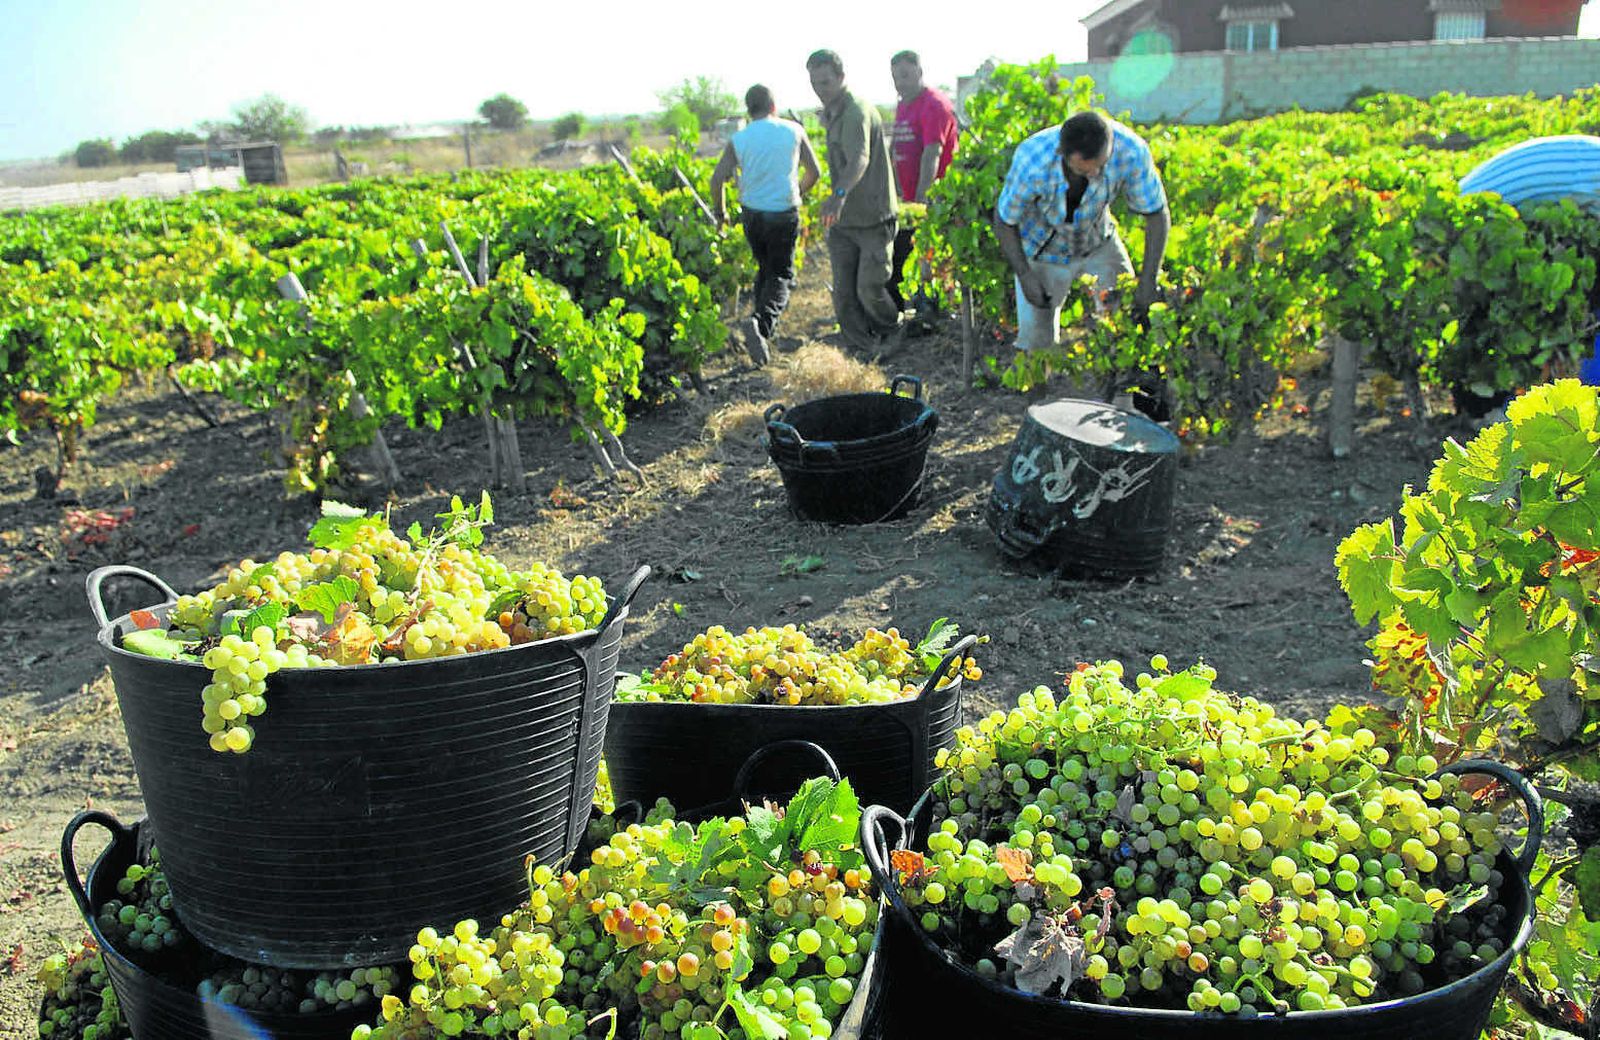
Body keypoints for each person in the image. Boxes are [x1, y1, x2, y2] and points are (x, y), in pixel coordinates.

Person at [994, 111, 1170, 355]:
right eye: (1085, 171)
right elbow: (1004, 221)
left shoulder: (1130, 151)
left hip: (1098, 241)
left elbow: (1156, 213)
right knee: (1036, 347)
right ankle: (1041, 392)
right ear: (1061, 155)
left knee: (1122, 326)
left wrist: (1148, 279)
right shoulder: (1033, 159)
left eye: (1101, 166)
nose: (1095, 175)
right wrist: (1025, 274)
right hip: (1042, 247)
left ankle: (1119, 389)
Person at [709, 84, 821, 366]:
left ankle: (757, 331)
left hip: (753, 215)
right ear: (774, 106)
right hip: (783, 211)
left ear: (749, 110)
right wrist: (797, 191)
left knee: (766, 269)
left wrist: (721, 215)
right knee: (782, 275)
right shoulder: (794, 130)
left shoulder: (740, 138)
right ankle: (762, 324)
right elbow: (815, 172)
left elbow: (716, 179)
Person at [808, 48, 901, 353]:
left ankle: (892, 331)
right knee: (844, 296)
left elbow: (859, 158)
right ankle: (863, 347)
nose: (819, 90)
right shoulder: (833, 113)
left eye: (825, 83)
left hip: (873, 218)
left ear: (841, 78)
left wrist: (837, 196)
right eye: (814, 83)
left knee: (869, 288)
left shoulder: (856, 110)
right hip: (845, 221)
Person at [888, 50, 959, 319]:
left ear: (920, 72)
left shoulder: (934, 105)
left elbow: (933, 152)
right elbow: (896, 148)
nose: (900, 83)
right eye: (895, 77)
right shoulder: (903, 103)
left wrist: (921, 199)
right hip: (907, 198)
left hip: (932, 199)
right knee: (908, 256)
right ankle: (916, 306)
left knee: (929, 255)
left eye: (905, 75)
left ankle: (932, 310)